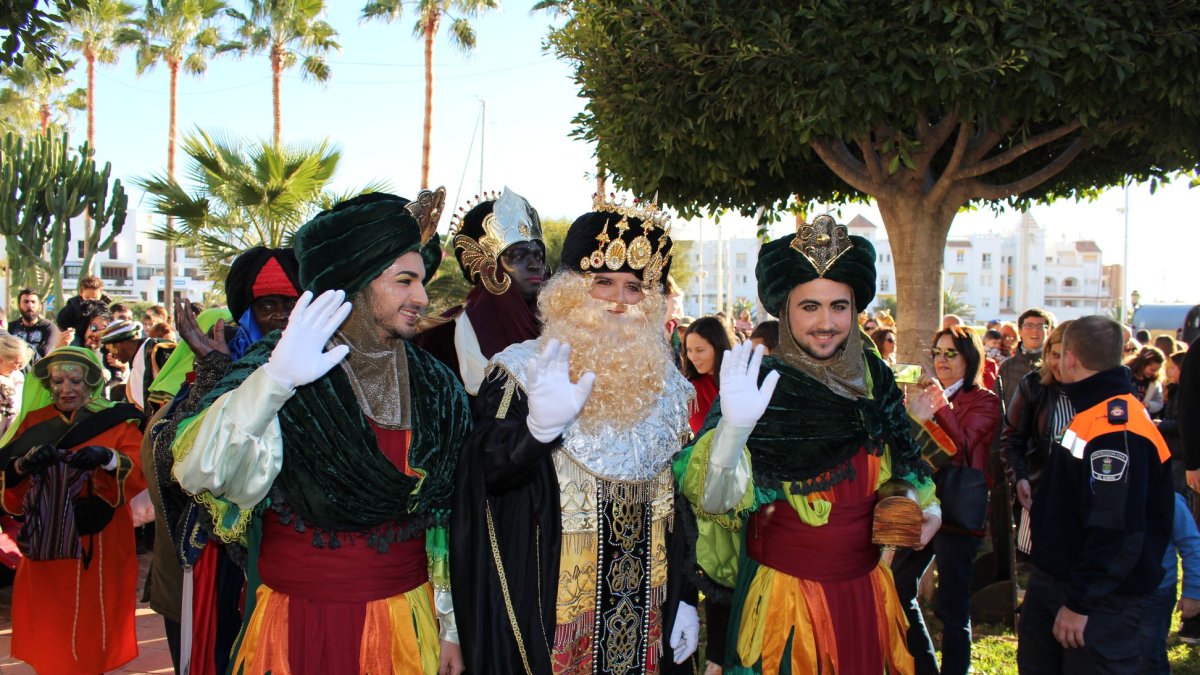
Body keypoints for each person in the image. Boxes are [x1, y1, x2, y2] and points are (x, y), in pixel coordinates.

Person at [172, 189, 474, 674]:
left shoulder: (436, 383)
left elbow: (447, 519)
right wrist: (274, 383)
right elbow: (202, 470)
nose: (422, 297)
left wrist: (452, 627)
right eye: (405, 280)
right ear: (353, 281)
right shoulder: (275, 362)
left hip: (407, 624)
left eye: (421, 280)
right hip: (296, 626)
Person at [676, 214, 939, 674]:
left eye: (839, 306)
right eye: (810, 307)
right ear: (785, 311)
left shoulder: (874, 376)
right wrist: (735, 429)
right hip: (785, 605)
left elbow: (907, 462)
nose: (826, 322)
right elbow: (713, 502)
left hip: (866, 595)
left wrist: (928, 510)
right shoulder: (755, 384)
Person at [451, 196, 700, 674]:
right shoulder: (523, 370)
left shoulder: (668, 386)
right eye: (602, 282)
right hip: (549, 612)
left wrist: (686, 594)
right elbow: (484, 473)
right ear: (568, 291)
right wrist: (535, 432)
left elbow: (677, 507)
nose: (618, 301)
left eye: (634, 288)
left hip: (648, 610)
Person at [145, 247, 300, 675]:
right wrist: (217, 374)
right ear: (248, 313)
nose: (283, 317)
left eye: (293, 304)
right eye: (269, 306)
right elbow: (174, 465)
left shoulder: (327, 365)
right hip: (230, 565)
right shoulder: (213, 370)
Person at [1016, 315, 1174, 674]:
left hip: (1101, 604)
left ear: (1071, 358)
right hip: (1062, 582)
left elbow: (1116, 531)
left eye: (1059, 355)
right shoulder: (1092, 412)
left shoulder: (1116, 428)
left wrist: (1080, 603)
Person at [0, 347, 145, 674]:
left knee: (94, 613)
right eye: (58, 380)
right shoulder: (35, 423)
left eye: (75, 380)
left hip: (100, 535)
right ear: (48, 385)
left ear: (91, 383)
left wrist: (107, 459)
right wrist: (22, 467)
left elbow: (139, 470)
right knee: (51, 617)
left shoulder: (118, 421)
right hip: (46, 533)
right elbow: (10, 489)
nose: (66, 388)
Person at [893, 326, 1002, 675]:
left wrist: (939, 404)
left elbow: (964, 446)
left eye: (950, 353)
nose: (941, 360)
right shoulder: (926, 395)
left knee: (952, 604)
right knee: (898, 585)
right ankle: (925, 667)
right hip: (923, 504)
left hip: (958, 507)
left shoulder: (984, 399)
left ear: (969, 357)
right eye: (937, 352)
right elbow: (911, 446)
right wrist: (913, 413)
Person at [415, 188, 544, 395]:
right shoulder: (440, 337)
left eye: (538, 255)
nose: (534, 264)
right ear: (487, 266)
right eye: (518, 255)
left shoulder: (562, 327)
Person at [1000, 320, 1076, 545]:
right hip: (1040, 488)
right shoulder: (1033, 385)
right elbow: (1012, 439)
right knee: (1040, 562)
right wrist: (1020, 477)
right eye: (1055, 355)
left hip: (1080, 492)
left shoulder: (1096, 392)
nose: (1060, 364)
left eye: (1067, 356)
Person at [1137, 490, 1200, 673]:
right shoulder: (1105, 492)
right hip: (1112, 592)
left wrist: (1193, 593)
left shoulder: (1168, 499)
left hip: (1156, 591)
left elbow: (1191, 545)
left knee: (1149, 655)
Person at [100, 320, 176, 413]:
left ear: (121, 342)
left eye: (111, 348)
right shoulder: (136, 360)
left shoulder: (158, 350)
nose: (112, 354)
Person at [683, 316, 734, 434]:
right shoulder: (693, 390)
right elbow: (705, 438)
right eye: (689, 350)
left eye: (699, 350)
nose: (693, 357)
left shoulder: (739, 378)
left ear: (718, 347)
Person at [995, 308, 1053, 409]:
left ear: (1048, 331)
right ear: (1020, 331)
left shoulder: (1055, 365)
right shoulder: (1007, 366)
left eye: (1040, 326)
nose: (1035, 330)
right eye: (1029, 325)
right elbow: (997, 402)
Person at [1156, 351, 1188, 493]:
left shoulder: (1185, 394)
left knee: (1177, 493)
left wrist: (1161, 425)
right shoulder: (1176, 390)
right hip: (1174, 450)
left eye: (1173, 368)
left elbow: (1184, 423)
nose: (1169, 372)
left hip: (1180, 453)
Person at [55, 275, 111, 347]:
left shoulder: (103, 304)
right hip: (76, 333)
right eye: (87, 298)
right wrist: (69, 331)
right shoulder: (74, 306)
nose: (91, 300)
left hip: (95, 333)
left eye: (94, 298)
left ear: (100, 294)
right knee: (75, 346)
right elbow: (61, 319)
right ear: (81, 293)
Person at [9, 288, 58, 361]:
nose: (30, 305)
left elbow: (44, 354)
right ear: (19, 306)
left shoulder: (49, 328)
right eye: (26, 302)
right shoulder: (10, 327)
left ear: (40, 306)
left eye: (33, 302)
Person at [0, 336, 34, 436]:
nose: (18, 367)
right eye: (16, 363)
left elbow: (17, 409)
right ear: (1, 359)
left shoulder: (17, 377)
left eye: (21, 364)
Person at [1125, 346, 1165, 415]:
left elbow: (1159, 402)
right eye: (1152, 370)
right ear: (1142, 364)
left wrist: (1148, 405)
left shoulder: (1154, 383)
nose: (1154, 373)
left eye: (1156, 370)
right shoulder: (1127, 376)